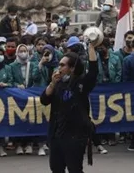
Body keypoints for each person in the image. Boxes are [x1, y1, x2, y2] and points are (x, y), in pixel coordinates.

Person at [40, 40, 99, 173]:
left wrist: (91, 47)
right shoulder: (58, 83)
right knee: (56, 168)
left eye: (62, 65)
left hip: (75, 135)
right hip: (56, 133)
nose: (59, 68)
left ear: (72, 68)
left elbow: (93, 72)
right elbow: (44, 100)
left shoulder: (81, 83)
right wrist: (52, 83)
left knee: (74, 169)